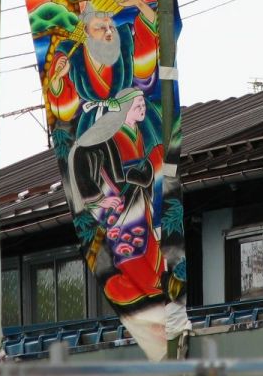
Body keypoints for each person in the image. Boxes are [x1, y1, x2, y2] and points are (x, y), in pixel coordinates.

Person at [65, 88, 189, 360]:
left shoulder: (138, 134)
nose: (143, 108)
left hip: (139, 201)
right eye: (137, 104)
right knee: (134, 249)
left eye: (144, 103)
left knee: (149, 249)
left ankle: (156, 292)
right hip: (124, 207)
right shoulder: (112, 137)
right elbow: (100, 169)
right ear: (123, 108)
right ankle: (147, 298)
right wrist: (98, 200)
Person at [46, 0, 161, 146]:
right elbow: (63, 106)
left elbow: (149, 34)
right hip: (93, 123)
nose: (108, 32)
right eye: (100, 28)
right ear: (86, 31)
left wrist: (139, 3)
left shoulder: (125, 40)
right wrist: (58, 78)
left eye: (110, 27)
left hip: (128, 113)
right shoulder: (71, 53)